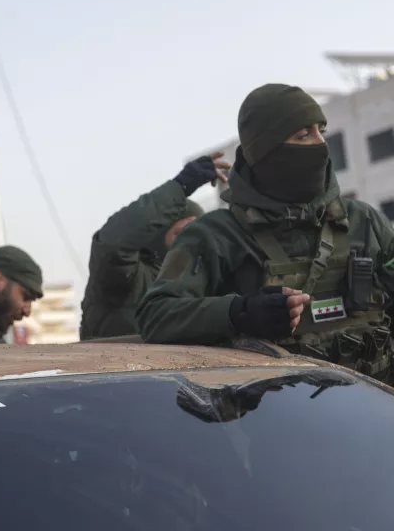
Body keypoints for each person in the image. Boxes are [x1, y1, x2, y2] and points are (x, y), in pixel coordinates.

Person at [136, 83, 394, 382]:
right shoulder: (216, 236)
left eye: (320, 130)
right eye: (303, 135)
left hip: (375, 411)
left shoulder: (363, 221)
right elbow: (155, 316)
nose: (320, 143)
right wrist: (239, 312)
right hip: (273, 420)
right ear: (266, 153)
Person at [79, 152, 229, 339]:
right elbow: (113, 244)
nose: (191, 240)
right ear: (158, 235)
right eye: (181, 233)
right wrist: (181, 186)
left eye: (196, 233)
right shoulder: (129, 278)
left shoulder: (200, 282)